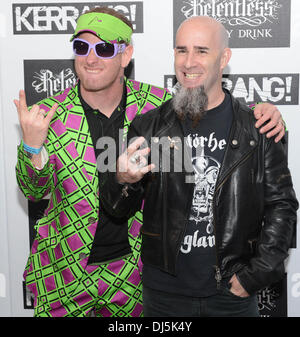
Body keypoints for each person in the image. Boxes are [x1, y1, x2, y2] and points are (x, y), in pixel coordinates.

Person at [15, 7, 284, 317]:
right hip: (63, 272)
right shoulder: (48, 114)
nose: (90, 59)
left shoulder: (155, 106)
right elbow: (34, 192)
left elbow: (215, 108)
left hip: (132, 278)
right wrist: (32, 147)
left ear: (125, 54)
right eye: (81, 47)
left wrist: (266, 112)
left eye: (103, 48)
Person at [100, 16, 298, 317]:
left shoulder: (256, 129)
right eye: (181, 50)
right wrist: (122, 179)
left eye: (202, 51)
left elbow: (282, 206)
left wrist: (254, 275)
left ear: (224, 58)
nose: (189, 62)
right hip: (164, 295)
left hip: (232, 295)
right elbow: (117, 210)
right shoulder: (150, 126)